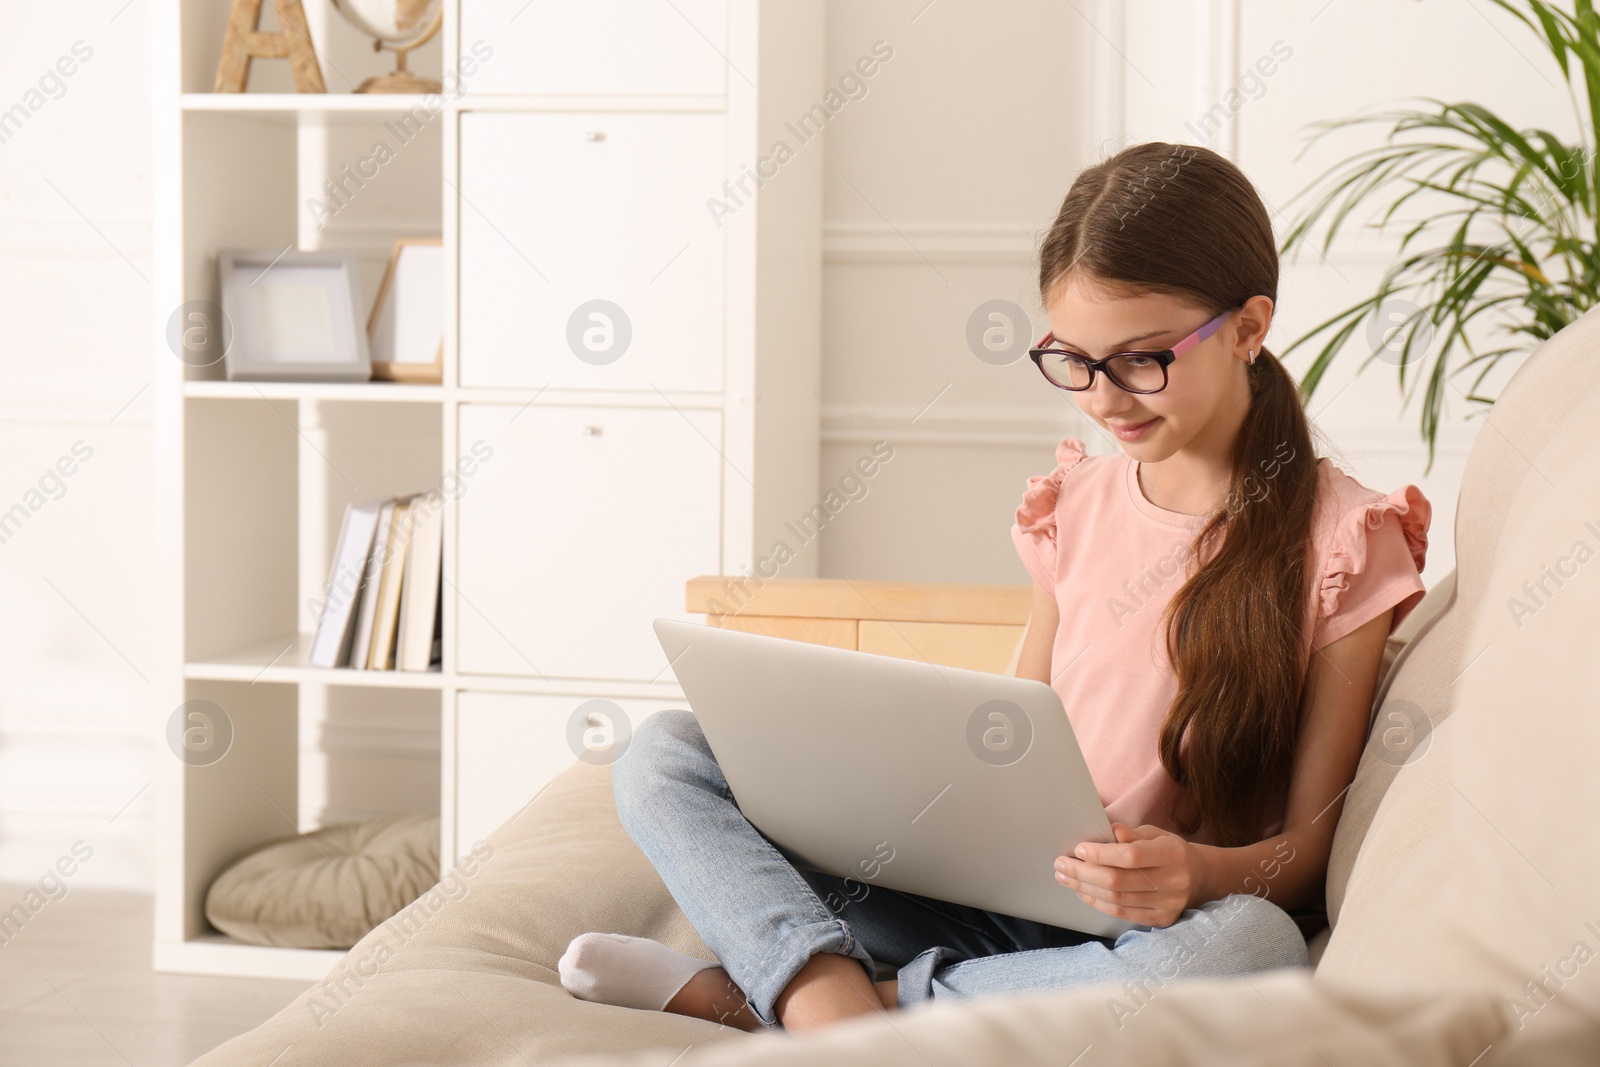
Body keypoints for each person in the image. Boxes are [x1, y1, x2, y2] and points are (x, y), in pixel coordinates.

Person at [555, 140, 1431, 1036]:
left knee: (1254, 944)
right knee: (665, 751)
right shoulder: (1075, 503)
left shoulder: (1342, 540)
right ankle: (831, 991)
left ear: (1248, 327)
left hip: (1143, 928)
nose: (1104, 399)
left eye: (1141, 360)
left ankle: (810, 1007)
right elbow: (1012, 731)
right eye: (1074, 361)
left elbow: (1308, 852)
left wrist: (1198, 875)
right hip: (973, 897)